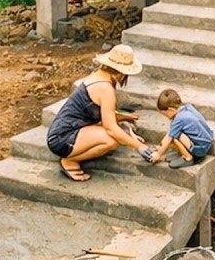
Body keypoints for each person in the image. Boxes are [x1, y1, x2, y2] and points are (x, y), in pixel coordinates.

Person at [46, 44, 154, 181]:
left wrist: (119, 117)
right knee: (111, 140)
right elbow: (110, 128)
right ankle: (69, 160)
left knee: (118, 132)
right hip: (62, 138)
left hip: (70, 129)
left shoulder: (98, 76)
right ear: (121, 73)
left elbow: (94, 110)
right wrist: (139, 146)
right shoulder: (105, 88)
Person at [149, 88, 213, 169]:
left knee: (175, 136)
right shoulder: (187, 107)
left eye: (164, 114)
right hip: (206, 142)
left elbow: (169, 137)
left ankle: (188, 158)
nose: (165, 116)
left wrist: (158, 154)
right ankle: (174, 150)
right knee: (174, 132)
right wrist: (160, 146)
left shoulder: (179, 119)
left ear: (170, 109)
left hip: (201, 149)